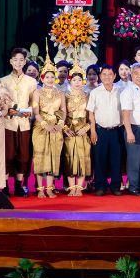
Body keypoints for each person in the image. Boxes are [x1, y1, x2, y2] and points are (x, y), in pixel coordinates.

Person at [2, 48, 37, 197]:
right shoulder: (3, 81)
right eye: (15, 60)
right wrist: (10, 111)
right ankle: (4, 186)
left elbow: (34, 104)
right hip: (7, 124)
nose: (18, 62)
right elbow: (1, 104)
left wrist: (22, 112)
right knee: (8, 155)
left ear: (25, 62)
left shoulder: (31, 81)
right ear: (11, 61)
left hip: (24, 124)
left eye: (21, 60)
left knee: (23, 156)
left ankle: (18, 186)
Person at [86, 65, 123, 195]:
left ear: (114, 76)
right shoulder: (95, 92)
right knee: (99, 158)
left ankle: (115, 186)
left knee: (116, 159)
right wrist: (93, 131)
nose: (107, 77)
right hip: (100, 130)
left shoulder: (120, 91)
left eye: (110, 74)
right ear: (100, 76)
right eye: (104, 74)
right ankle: (100, 186)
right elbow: (91, 113)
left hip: (116, 130)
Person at [31, 61, 66, 198]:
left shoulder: (60, 93)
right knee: (40, 157)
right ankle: (40, 189)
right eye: (47, 77)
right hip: (41, 127)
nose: (50, 79)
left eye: (52, 77)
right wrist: (45, 124)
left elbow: (63, 110)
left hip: (56, 127)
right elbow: (36, 112)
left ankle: (50, 188)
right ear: (42, 78)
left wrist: (61, 123)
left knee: (53, 157)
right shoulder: (37, 92)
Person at [120, 63, 140, 196]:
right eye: (136, 73)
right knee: (135, 160)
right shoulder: (128, 91)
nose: (139, 76)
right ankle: (134, 187)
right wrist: (129, 132)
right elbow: (125, 113)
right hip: (134, 128)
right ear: (131, 75)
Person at [61, 67, 91, 196]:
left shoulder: (88, 96)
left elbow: (92, 115)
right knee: (70, 158)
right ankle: (72, 187)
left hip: (83, 130)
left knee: (83, 158)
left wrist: (86, 128)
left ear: (83, 81)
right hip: (70, 130)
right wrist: (65, 129)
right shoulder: (65, 96)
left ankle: (79, 187)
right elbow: (61, 114)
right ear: (70, 81)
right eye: (74, 80)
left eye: (79, 80)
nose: (77, 82)